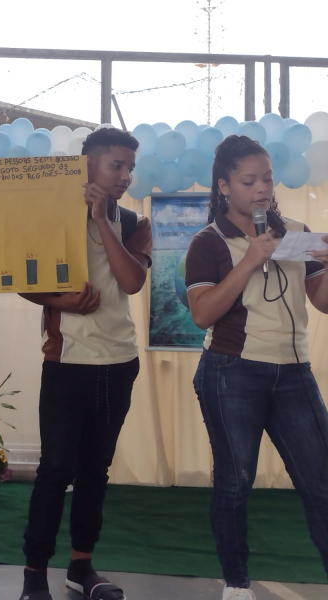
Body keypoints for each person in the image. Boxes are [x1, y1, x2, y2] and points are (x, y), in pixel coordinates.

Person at [186, 135, 328, 600]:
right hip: (232, 372)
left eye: (267, 178)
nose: (262, 188)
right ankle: (236, 582)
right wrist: (249, 259)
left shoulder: (297, 233)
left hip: (294, 373)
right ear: (225, 185)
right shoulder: (208, 242)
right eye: (249, 181)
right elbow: (203, 314)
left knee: (321, 480)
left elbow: (322, 302)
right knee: (235, 480)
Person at [18, 127, 152, 600]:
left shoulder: (134, 222)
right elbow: (24, 280)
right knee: (55, 469)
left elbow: (131, 281)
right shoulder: (55, 216)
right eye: (116, 165)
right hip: (68, 361)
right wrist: (63, 301)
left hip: (120, 362)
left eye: (129, 167)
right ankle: (34, 574)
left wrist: (100, 219)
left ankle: (81, 567)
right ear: (88, 165)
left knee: (96, 469)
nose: (124, 175)